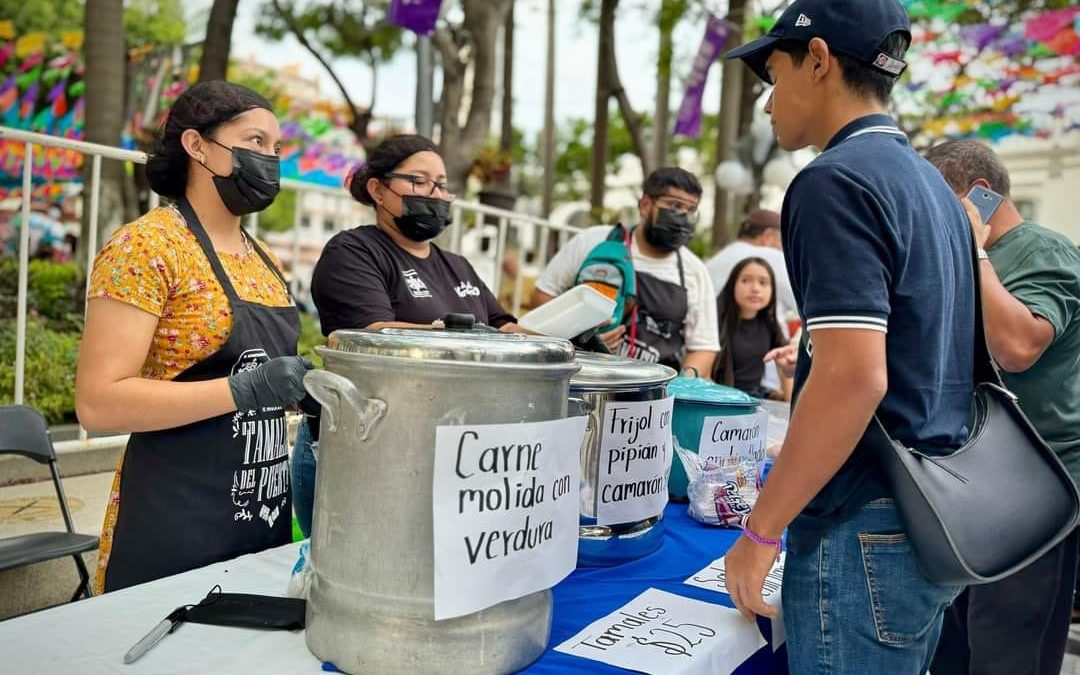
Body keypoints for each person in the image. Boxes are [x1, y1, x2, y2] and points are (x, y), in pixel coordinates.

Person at [721, 2, 976, 674]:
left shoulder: (834, 181)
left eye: (774, 75)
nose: (769, 103)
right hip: (930, 515)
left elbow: (854, 377)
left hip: (863, 520)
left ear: (819, 59)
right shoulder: (931, 186)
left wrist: (761, 530)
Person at [76, 81, 311, 593]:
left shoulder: (261, 258)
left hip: (260, 529)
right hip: (174, 529)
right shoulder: (147, 246)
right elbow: (98, 403)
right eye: (253, 141)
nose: (269, 159)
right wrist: (243, 389)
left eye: (275, 148)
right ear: (196, 146)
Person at [292, 134, 521, 537]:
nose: (434, 193)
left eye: (441, 184)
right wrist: (457, 336)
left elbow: (503, 326)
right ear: (378, 190)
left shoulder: (458, 266)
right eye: (418, 181)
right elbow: (371, 337)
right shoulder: (353, 251)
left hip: (455, 447)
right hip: (367, 447)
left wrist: (566, 342)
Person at [925, 140, 1080, 675]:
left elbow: (1018, 347)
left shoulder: (1041, 251)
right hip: (975, 484)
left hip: (1036, 487)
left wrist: (975, 249)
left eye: (939, 200)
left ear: (980, 198)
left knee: (1008, 653)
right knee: (955, 648)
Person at [531, 167, 720, 376]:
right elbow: (542, 294)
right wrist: (576, 333)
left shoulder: (695, 272)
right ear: (646, 205)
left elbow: (703, 347)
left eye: (691, 210)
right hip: (582, 375)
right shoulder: (594, 241)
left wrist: (681, 383)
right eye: (674, 205)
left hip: (653, 393)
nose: (683, 217)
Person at [712, 257, 792, 401]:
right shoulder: (714, 321)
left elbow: (785, 360)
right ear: (732, 284)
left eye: (763, 283)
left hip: (754, 399)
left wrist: (788, 401)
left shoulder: (769, 322)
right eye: (746, 280)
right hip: (719, 399)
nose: (755, 288)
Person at [705, 209, 796, 322]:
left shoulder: (716, 259)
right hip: (754, 335)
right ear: (768, 236)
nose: (784, 249)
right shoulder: (771, 256)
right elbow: (802, 302)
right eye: (782, 241)